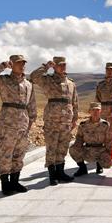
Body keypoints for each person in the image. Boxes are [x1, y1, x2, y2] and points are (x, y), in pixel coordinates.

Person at [0, 55, 37, 195]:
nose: (22, 66)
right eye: (19, 63)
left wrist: (31, 120)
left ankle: (15, 181)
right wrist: (2, 65)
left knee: (19, 153)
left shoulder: (28, 84)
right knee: (6, 153)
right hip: (8, 122)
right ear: (12, 64)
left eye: (23, 63)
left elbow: (31, 103)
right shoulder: (4, 80)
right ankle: (5, 183)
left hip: (23, 122)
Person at [30, 56, 78, 185]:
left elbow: (74, 102)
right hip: (52, 119)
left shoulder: (71, 83)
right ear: (54, 66)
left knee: (63, 146)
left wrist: (75, 118)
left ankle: (60, 172)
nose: (63, 67)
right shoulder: (47, 80)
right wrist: (45, 66)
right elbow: (33, 77)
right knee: (52, 146)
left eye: (64, 64)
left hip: (66, 120)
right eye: (60, 65)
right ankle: (52, 175)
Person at [70, 102, 112, 176]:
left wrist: (111, 153)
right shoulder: (83, 124)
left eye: (97, 110)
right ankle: (82, 168)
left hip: (101, 150)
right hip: (87, 150)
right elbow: (79, 138)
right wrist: (77, 146)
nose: (95, 112)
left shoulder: (105, 124)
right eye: (93, 110)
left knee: (108, 163)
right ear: (89, 111)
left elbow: (109, 140)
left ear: (101, 112)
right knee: (72, 149)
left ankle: (99, 165)